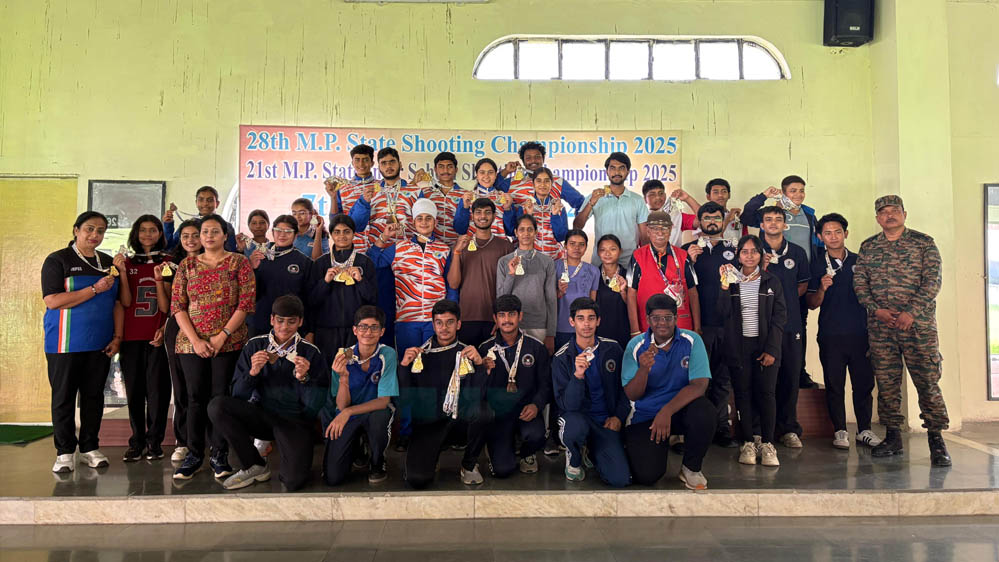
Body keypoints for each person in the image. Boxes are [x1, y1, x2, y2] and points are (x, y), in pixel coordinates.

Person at [854, 195, 951, 466]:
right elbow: (860, 283)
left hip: (918, 327)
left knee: (927, 382)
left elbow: (932, 282)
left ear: (904, 214)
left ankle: (936, 439)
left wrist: (911, 312)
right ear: (878, 218)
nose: (890, 215)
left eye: (894, 210)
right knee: (887, 384)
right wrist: (876, 310)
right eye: (884, 212)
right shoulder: (869, 247)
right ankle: (893, 436)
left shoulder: (923, 243)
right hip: (881, 328)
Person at [208, 295, 329, 491]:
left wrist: (304, 379)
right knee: (217, 406)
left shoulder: (310, 352)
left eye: (291, 321)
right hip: (262, 416)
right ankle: (253, 465)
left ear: (300, 322)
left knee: (293, 481)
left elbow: (314, 408)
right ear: (272, 320)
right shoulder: (255, 345)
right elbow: (237, 396)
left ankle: (292, 459)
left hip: (293, 421)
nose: (284, 327)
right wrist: (252, 373)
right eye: (280, 320)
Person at [171, 214, 256, 480]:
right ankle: (194, 455)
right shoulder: (187, 265)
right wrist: (196, 340)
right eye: (204, 232)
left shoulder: (239, 262)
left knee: (220, 398)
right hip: (191, 344)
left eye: (214, 231)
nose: (208, 236)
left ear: (224, 235)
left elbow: (246, 303)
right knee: (194, 398)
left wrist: (222, 336)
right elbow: (177, 306)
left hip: (228, 342)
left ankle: (219, 454)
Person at [368, 198, 457, 449]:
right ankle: (407, 431)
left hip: (435, 323)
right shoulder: (399, 248)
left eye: (429, 218)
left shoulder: (444, 249)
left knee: (435, 376)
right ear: (413, 222)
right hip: (406, 321)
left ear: (435, 221)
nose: (424, 222)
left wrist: (451, 316)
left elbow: (451, 285)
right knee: (407, 377)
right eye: (420, 218)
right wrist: (384, 237)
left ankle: (435, 429)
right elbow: (373, 261)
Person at [42, 211, 122, 472]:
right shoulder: (58, 260)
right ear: (76, 230)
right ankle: (64, 451)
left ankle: (89, 447)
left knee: (93, 398)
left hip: (99, 344)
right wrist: (94, 289)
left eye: (100, 230)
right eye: (89, 229)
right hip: (63, 343)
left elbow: (118, 303)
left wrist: (117, 337)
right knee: (63, 398)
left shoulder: (108, 263)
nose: (95, 235)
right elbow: (53, 301)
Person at [623, 294, 715, 488]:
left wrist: (667, 411)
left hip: (678, 411)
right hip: (647, 415)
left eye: (668, 317)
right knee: (647, 476)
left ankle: (691, 468)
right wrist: (643, 370)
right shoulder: (636, 346)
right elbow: (632, 395)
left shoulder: (692, 340)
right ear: (648, 320)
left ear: (676, 318)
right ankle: (647, 447)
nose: (662, 323)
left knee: (704, 411)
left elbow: (699, 385)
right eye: (656, 318)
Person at [806, 213, 881, 450]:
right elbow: (811, 303)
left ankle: (864, 430)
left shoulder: (860, 261)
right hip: (831, 335)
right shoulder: (816, 264)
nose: (833, 237)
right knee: (834, 384)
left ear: (846, 234)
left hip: (861, 334)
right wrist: (821, 288)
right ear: (820, 237)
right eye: (827, 233)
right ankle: (839, 430)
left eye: (838, 232)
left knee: (864, 384)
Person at [743, 175, 821, 390]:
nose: (798, 194)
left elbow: (816, 244)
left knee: (798, 327)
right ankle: (765, 370)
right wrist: (764, 196)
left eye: (801, 190)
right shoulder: (773, 212)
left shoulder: (809, 215)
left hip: (798, 279)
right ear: (784, 192)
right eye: (793, 190)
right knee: (765, 328)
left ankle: (799, 371)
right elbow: (747, 215)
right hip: (770, 277)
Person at [398, 300, 487, 488]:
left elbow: (478, 396)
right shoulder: (420, 354)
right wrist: (404, 367)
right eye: (439, 322)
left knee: (484, 412)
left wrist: (479, 365)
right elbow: (405, 399)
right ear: (433, 325)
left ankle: (469, 464)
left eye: (450, 322)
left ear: (458, 324)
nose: (444, 328)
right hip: (428, 425)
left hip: (458, 422)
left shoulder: (467, 353)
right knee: (417, 480)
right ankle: (432, 456)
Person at [717, 235, 787, 467]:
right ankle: (747, 442)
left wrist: (772, 350)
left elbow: (779, 318)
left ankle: (767, 444)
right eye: (744, 252)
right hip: (739, 347)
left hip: (765, 345)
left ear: (760, 254)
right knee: (743, 394)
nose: (749, 256)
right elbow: (722, 312)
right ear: (738, 255)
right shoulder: (731, 280)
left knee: (767, 394)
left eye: (754, 251)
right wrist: (724, 286)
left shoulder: (771, 281)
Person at [469, 295, 551, 478]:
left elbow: (545, 384)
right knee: (503, 470)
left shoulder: (536, 347)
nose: (507, 320)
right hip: (499, 415)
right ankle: (498, 447)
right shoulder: (484, 349)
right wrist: (484, 372)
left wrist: (536, 405)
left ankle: (526, 453)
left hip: (526, 410)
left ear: (520, 316)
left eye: (511, 314)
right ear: (495, 319)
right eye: (502, 315)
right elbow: (476, 391)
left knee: (537, 435)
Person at [552, 297, 630, 486]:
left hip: (605, 421)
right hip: (577, 418)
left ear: (598, 321)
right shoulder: (561, 357)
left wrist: (618, 416)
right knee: (575, 428)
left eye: (591, 318)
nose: (586, 324)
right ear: (572, 322)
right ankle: (574, 456)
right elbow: (567, 405)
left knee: (619, 479)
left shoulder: (613, 349)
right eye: (580, 318)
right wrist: (578, 376)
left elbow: (625, 389)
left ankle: (592, 451)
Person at [682, 202, 740, 448]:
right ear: (700, 222)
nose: (712, 221)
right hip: (698, 326)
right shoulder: (687, 250)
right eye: (707, 218)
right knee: (697, 381)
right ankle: (695, 430)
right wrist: (688, 262)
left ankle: (721, 429)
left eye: (717, 217)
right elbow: (677, 286)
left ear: (723, 220)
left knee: (722, 381)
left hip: (727, 326)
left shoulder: (735, 249)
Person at [349, 148, 420, 343]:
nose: (388, 166)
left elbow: (423, 223)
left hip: (407, 260)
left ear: (399, 164)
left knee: (409, 310)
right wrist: (364, 202)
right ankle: (384, 355)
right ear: (378, 167)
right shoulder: (371, 191)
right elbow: (357, 226)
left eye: (392, 162)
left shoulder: (414, 191)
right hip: (379, 258)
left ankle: (409, 357)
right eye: (384, 163)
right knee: (383, 311)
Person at [116, 215, 172, 462]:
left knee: (158, 391)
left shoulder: (169, 262)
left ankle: (154, 442)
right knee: (135, 391)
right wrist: (122, 272)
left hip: (157, 335)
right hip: (131, 336)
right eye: (143, 230)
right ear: (135, 234)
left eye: (153, 230)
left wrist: (165, 328)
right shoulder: (126, 262)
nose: (147, 234)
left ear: (160, 233)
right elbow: (126, 301)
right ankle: (137, 440)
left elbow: (171, 304)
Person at [323, 305, 398, 485]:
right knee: (333, 478)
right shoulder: (343, 356)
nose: (368, 332)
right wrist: (343, 378)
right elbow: (342, 406)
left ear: (382, 332)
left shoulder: (387, 354)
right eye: (363, 327)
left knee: (379, 418)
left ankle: (377, 461)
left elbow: (383, 401)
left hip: (375, 411)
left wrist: (348, 412)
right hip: (350, 414)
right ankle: (358, 449)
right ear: (355, 330)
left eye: (374, 327)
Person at [755, 206, 810, 449]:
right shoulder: (752, 251)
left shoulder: (797, 252)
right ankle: (758, 430)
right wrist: (762, 267)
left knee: (790, 376)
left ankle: (789, 428)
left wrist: (782, 304)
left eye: (778, 219)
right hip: (760, 326)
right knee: (761, 379)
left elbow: (802, 286)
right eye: (768, 219)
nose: (773, 223)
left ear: (785, 224)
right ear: (762, 225)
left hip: (790, 324)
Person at [160, 218, 202, 463]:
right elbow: (167, 304)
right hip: (178, 327)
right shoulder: (172, 265)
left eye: (195, 235)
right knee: (183, 387)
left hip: (210, 327)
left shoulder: (219, 262)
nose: (191, 240)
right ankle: (183, 441)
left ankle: (210, 439)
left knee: (206, 387)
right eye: (185, 236)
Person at [310, 214, 378, 364]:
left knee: (353, 369)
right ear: (331, 234)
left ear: (353, 234)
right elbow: (312, 300)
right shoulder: (321, 264)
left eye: (346, 231)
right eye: (337, 232)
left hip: (357, 330)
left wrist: (360, 281)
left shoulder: (365, 262)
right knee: (328, 370)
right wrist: (325, 282)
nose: (342, 236)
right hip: (326, 329)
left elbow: (373, 298)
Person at [449, 198, 516, 348]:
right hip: (466, 317)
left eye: (487, 212)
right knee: (467, 361)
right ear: (472, 216)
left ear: (494, 216)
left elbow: (511, 287)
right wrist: (457, 252)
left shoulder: (505, 247)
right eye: (478, 212)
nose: (483, 216)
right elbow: (453, 284)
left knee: (493, 361)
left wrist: (502, 317)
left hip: (495, 318)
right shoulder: (461, 245)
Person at [628, 211, 700, 336]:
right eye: (655, 228)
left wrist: (697, 328)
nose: (660, 233)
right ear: (648, 231)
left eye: (664, 228)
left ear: (671, 230)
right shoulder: (637, 256)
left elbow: (693, 292)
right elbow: (631, 293)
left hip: (681, 324)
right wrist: (634, 330)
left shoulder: (683, 256)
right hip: (649, 326)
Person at [573, 152, 649, 267]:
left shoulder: (637, 200)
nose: (617, 172)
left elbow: (644, 236)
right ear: (607, 172)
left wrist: (644, 263)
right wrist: (591, 203)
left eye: (621, 168)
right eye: (612, 168)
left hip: (629, 262)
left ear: (628, 172)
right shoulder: (595, 197)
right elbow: (577, 226)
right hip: (601, 261)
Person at [496, 215, 557, 355]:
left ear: (536, 232)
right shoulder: (504, 261)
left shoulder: (547, 262)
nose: (526, 233)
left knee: (538, 364)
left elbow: (551, 299)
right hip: (512, 324)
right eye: (522, 230)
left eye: (530, 229)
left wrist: (551, 333)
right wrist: (511, 274)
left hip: (539, 325)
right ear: (516, 232)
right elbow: (501, 299)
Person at [246, 214, 313, 339]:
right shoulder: (259, 256)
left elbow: (310, 299)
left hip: (289, 325)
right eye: (278, 230)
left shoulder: (304, 262)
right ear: (272, 232)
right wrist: (252, 268)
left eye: (288, 231)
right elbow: (249, 292)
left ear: (296, 235)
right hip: (260, 322)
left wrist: (309, 330)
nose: (282, 235)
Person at [496, 141, 585, 211]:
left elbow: (581, 204)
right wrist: (505, 171)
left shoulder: (557, 181)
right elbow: (491, 189)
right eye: (528, 158)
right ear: (523, 161)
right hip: (522, 229)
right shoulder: (512, 182)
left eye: (537, 157)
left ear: (543, 159)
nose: (533, 161)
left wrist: (577, 225)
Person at [503, 167, 568, 261]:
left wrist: (555, 215)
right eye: (538, 181)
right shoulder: (524, 207)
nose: (543, 184)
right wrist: (528, 215)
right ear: (533, 184)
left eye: (547, 181)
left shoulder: (559, 207)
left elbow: (561, 237)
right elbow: (512, 232)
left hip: (554, 260)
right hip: (528, 260)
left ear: (552, 184)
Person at [163, 185, 237, 252]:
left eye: (210, 200)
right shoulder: (188, 226)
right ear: (196, 203)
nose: (205, 203)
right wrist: (168, 225)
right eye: (201, 200)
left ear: (217, 204)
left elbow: (231, 252)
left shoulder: (227, 227)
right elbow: (169, 248)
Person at [453, 158, 513, 239]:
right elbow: (460, 230)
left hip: (498, 245)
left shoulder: (504, 198)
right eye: (482, 172)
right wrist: (465, 208)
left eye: (490, 172)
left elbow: (510, 231)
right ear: (477, 175)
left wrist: (507, 209)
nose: (486, 176)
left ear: (496, 175)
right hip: (473, 245)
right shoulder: (467, 198)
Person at [420, 151, 467, 248]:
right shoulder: (425, 193)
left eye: (450, 166)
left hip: (458, 247)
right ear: (435, 169)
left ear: (456, 169)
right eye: (441, 166)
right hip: (432, 248)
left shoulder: (464, 195)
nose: (445, 170)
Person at [594, 234, 631, 350]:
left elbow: (634, 305)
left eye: (613, 249)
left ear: (620, 251)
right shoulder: (592, 275)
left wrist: (623, 292)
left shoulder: (629, 275)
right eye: (603, 250)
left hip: (623, 331)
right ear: (598, 253)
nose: (607, 253)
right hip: (599, 333)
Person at [325, 144, 376, 218]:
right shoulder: (342, 188)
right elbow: (334, 219)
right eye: (357, 160)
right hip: (351, 226)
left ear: (372, 163)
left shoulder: (381, 186)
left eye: (365, 160)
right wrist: (333, 198)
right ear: (352, 163)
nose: (361, 164)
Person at [642, 180, 697, 247]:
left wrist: (687, 198)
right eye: (652, 195)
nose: (658, 197)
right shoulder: (640, 219)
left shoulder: (676, 216)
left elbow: (702, 220)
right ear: (645, 199)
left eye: (661, 193)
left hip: (674, 253)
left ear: (665, 195)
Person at [700, 178, 748, 243]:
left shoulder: (737, 217)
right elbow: (707, 240)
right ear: (708, 197)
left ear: (729, 195)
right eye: (716, 192)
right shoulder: (703, 217)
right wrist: (728, 219)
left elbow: (745, 242)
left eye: (724, 191)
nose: (720, 195)